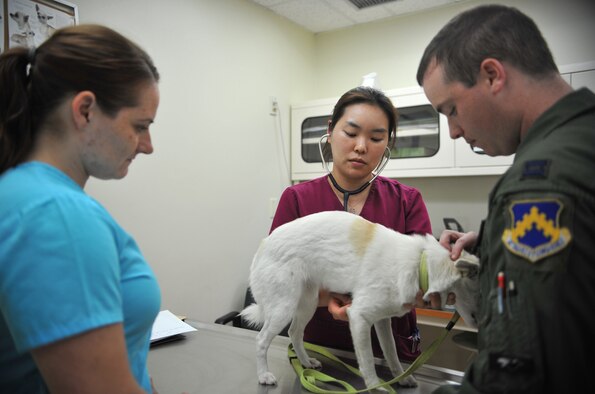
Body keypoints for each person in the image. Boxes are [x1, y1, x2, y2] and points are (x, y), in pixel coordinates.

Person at [414, 4, 595, 394]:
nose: (454, 132)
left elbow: (520, 376)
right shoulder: (581, 139)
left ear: (492, 75)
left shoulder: (540, 184)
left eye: (451, 109)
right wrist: (491, 239)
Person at [0, 25, 161, 393]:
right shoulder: (55, 213)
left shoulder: (21, 192)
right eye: (140, 126)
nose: (148, 146)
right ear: (85, 110)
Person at [270, 86, 432, 363]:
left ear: (388, 143)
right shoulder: (296, 200)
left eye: (376, 137)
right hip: (321, 351)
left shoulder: (407, 202)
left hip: (389, 354)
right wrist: (326, 297)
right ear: (331, 131)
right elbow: (278, 283)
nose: (361, 147)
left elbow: (423, 285)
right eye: (351, 133)